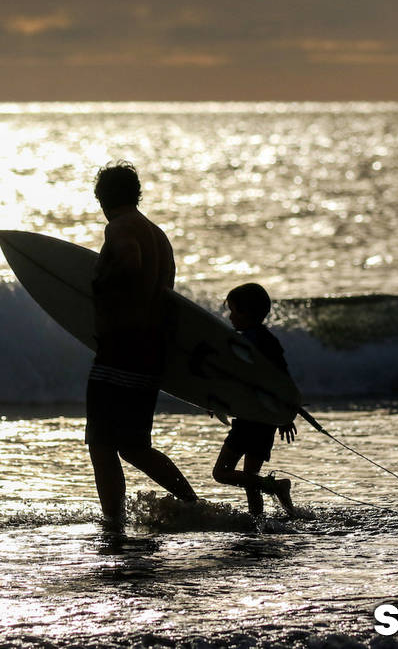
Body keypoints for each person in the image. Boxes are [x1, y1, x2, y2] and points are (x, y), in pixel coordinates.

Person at [86, 161, 197, 525]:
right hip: (150, 350)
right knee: (134, 446)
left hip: (120, 348)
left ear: (103, 197)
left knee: (102, 444)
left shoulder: (119, 227)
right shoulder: (158, 235)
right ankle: (194, 505)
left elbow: (131, 264)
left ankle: (113, 522)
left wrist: (102, 287)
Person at [212, 282, 301, 516]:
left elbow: (236, 377)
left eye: (234, 311)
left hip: (250, 419)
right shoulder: (269, 341)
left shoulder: (245, 343)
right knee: (250, 480)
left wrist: (213, 398)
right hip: (266, 419)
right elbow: (283, 380)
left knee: (221, 473)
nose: (230, 317)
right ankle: (258, 524)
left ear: (247, 313)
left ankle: (278, 486)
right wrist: (284, 416)